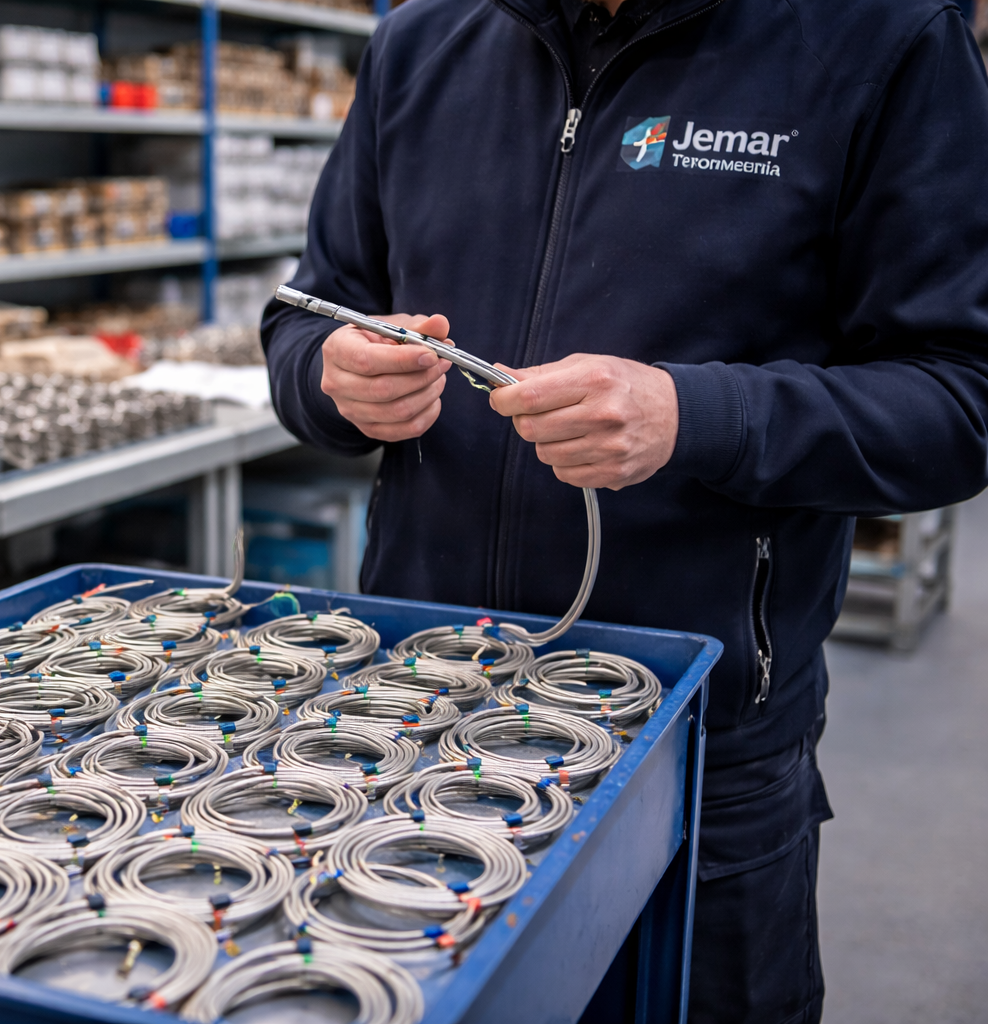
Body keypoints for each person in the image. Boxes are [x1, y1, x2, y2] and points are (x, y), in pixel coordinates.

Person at [260, 0, 988, 1020]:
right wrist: (329, 382)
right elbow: (307, 313)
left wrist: (693, 414)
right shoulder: (422, 42)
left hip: (696, 749)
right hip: (414, 721)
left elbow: (958, 398)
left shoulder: (881, 38)